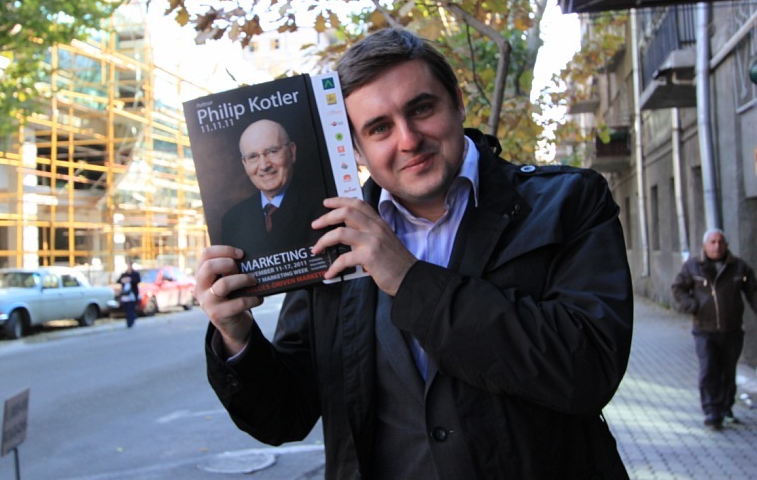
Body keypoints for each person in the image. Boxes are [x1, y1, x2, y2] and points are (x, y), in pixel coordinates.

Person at [196, 28, 634, 478]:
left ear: (457, 103)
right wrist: (236, 338)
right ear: (355, 149)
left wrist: (409, 280)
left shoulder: (568, 202)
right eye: (379, 128)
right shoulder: (328, 235)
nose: (408, 139)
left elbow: (589, 371)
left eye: (421, 109)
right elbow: (286, 416)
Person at [671, 228, 757, 430]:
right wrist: (692, 305)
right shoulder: (693, 266)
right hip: (704, 329)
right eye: (712, 242)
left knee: (728, 370)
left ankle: (726, 407)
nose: (716, 246)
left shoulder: (738, 267)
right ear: (705, 245)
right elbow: (678, 288)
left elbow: (753, 292)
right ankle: (711, 411)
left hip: (732, 329)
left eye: (720, 242)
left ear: (726, 245)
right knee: (709, 368)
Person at [220, 118, 325, 256]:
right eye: (252, 157)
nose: (264, 166)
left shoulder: (324, 205)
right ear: (244, 164)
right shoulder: (232, 220)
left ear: (292, 152)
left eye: (273, 151)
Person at [117, 261, 141, 328]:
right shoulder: (124, 274)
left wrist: (130, 280)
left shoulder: (135, 274)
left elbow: (138, 280)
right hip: (125, 294)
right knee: (126, 308)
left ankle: (130, 322)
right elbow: (118, 280)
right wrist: (123, 280)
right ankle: (130, 319)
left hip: (132, 294)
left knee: (131, 308)